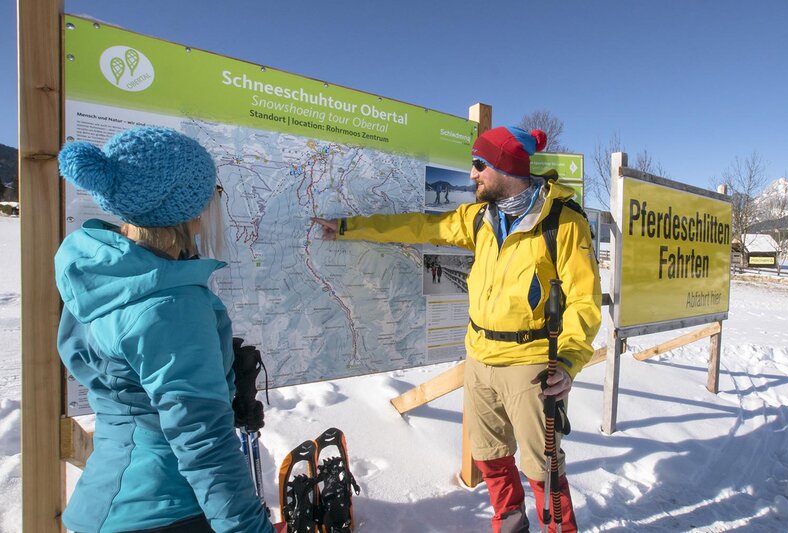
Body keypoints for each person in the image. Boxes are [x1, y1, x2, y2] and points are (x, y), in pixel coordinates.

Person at [314, 126, 601, 532]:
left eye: (479, 165)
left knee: (543, 469)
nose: (471, 174)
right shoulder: (481, 218)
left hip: (532, 365)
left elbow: (584, 301)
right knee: (490, 456)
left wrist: (569, 361)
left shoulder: (562, 223)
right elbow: (419, 227)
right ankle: (510, 523)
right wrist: (347, 227)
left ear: (505, 166)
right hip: (480, 359)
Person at [56, 127, 275, 533]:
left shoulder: (100, 271)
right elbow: (203, 443)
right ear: (188, 207)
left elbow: (124, 386)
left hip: (106, 500)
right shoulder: (171, 305)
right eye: (213, 191)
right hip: (170, 509)